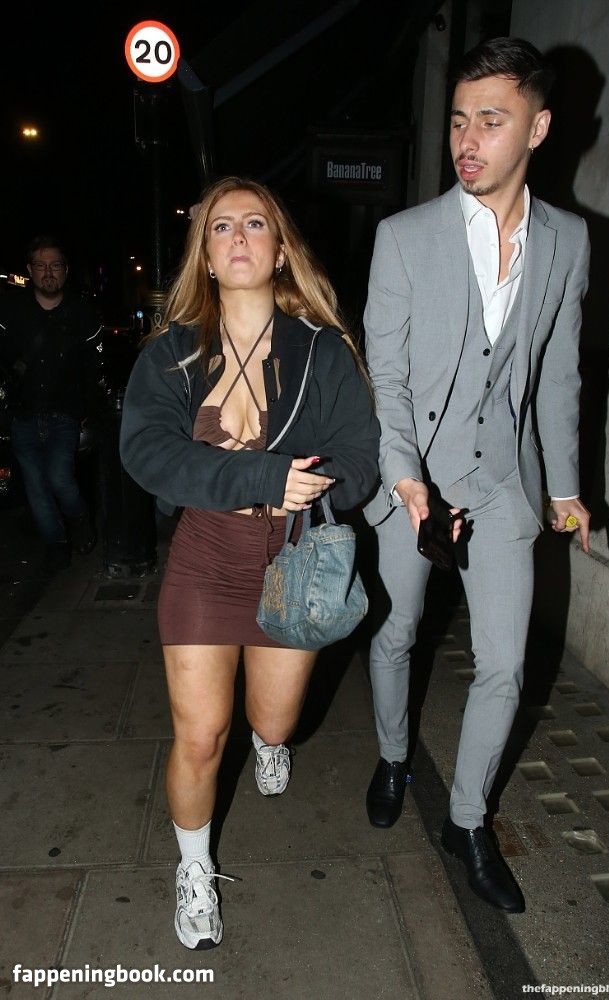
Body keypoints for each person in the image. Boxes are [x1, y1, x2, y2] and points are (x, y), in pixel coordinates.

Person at [119, 176, 380, 950]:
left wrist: (317, 486)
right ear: (204, 254)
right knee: (201, 736)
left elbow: (361, 455)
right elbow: (147, 452)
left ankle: (271, 745)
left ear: (280, 249)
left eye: (255, 224)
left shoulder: (320, 351)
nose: (238, 236)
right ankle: (194, 870)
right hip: (205, 558)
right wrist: (262, 476)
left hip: (291, 560)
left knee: (273, 721)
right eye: (221, 226)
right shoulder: (173, 354)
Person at [362, 37, 590, 913]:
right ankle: (393, 758)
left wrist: (563, 486)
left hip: (502, 483)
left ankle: (466, 821)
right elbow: (386, 379)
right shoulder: (404, 238)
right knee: (398, 632)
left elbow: (559, 371)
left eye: (490, 120)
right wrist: (404, 479)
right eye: (459, 120)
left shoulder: (568, 239)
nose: (467, 139)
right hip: (413, 477)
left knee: (504, 663)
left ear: (537, 127)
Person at [0, 236, 103, 574]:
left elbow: (94, 368)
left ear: (65, 270)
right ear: (30, 270)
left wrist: (88, 409)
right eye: (41, 266)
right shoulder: (11, 310)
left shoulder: (81, 313)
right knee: (36, 486)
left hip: (65, 414)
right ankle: (56, 544)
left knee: (60, 478)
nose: (48, 273)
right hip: (23, 413)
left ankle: (80, 518)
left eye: (55, 265)